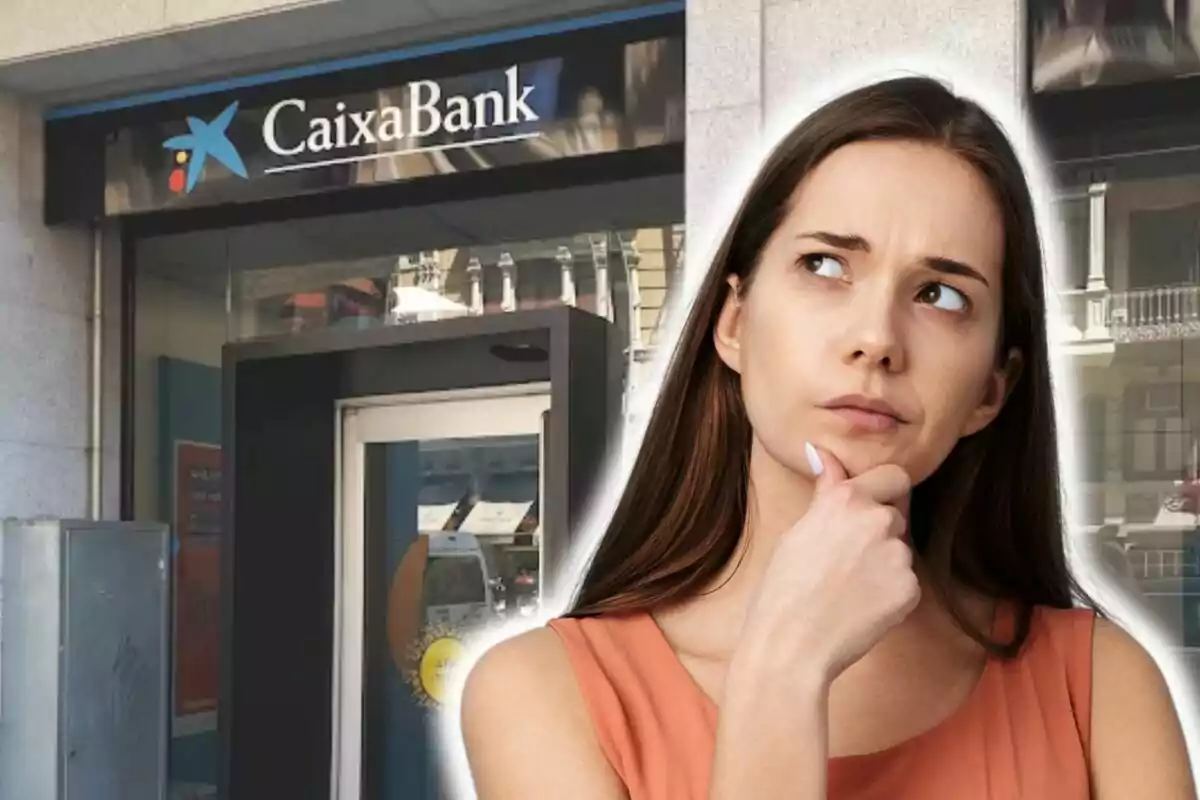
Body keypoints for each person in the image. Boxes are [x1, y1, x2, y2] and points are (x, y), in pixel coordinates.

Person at [458, 76, 1196, 798]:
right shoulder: (544, 694)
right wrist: (783, 673)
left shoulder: (1101, 689)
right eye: (826, 264)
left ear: (991, 389)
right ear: (735, 324)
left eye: (941, 295)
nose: (876, 339)